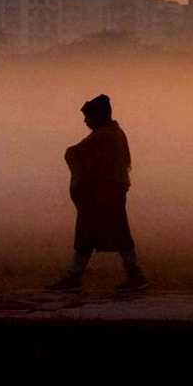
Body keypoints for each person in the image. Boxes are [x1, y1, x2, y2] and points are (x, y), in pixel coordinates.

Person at [46, 94, 149, 293]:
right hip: (108, 192)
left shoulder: (104, 136)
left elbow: (77, 154)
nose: (85, 121)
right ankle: (77, 276)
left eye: (88, 117)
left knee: (113, 234)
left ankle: (134, 276)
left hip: (104, 194)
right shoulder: (114, 133)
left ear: (98, 116)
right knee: (95, 234)